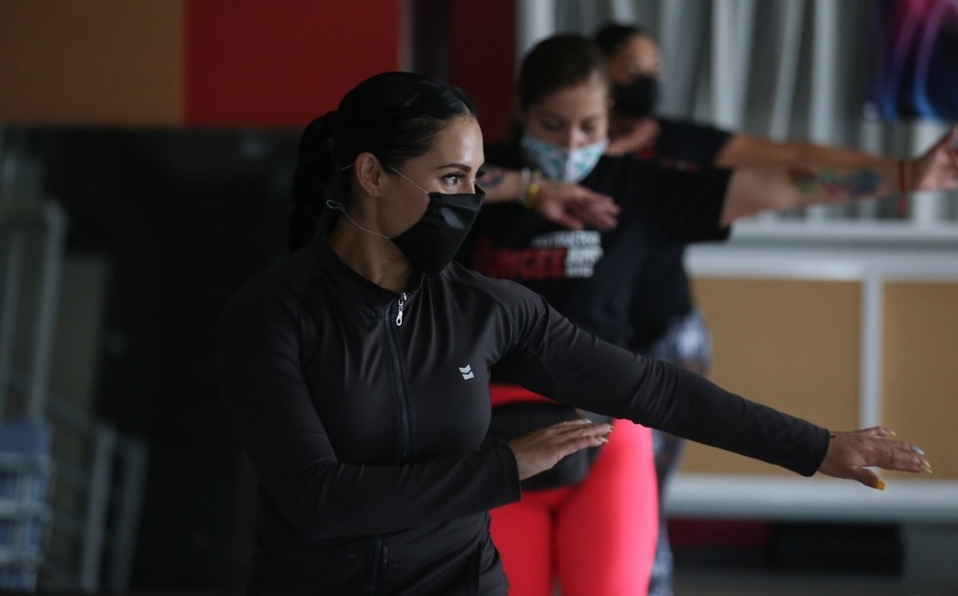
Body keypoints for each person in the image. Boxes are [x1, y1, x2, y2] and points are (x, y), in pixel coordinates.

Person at [216, 70, 937, 596]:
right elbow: (321, 502)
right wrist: (503, 468)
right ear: (372, 174)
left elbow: (652, 388)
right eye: (451, 178)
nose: (469, 199)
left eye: (476, 180)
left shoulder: (485, 308)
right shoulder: (273, 315)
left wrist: (815, 446)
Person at [465, 33, 956, 596]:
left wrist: (903, 177)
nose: (571, 143)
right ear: (524, 111)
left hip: (602, 426)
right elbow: (413, 183)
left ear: (609, 119)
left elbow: (784, 182)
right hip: (495, 430)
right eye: (553, 126)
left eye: (589, 127)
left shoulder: (634, 186)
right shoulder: (476, 176)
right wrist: (530, 189)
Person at [595, 21, 921, 596]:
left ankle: (647, 581)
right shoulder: (559, 158)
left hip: (666, 334)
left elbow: (794, 163)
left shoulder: (677, 143)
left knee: (642, 487)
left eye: (656, 70)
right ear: (599, 76)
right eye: (635, 70)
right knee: (588, 482)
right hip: (588, 342)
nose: (649, 81)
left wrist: (904, 174)